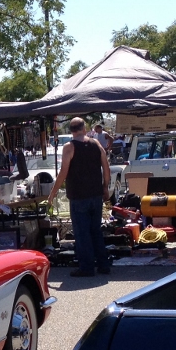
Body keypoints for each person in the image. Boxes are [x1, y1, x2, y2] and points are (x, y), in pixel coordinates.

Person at [46, 117, 112, 278]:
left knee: (82, 233)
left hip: (78, 196)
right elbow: (106, 166)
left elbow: (63, 172)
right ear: (84, 128)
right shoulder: (96, 144)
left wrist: (52, 193)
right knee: (95, 230)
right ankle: (103, 264)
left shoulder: (69, 147)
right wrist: (105, 187)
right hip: (96, 194)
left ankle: (87, 267)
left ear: (71, 131)